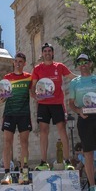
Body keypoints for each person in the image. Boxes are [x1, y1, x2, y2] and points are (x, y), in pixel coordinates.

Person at [31, 43, 76, 171]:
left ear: (52, 53)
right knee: (43, 132)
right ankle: (43, 162)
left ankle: (67, 161)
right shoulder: (37, 69)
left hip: (57, 103)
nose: (47, 53)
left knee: (62, 129)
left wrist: (85, 78)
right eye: (45, 51)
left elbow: (72, 77)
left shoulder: (59, 66)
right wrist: (35, 96)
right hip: (43, 105)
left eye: (49, 51)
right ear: (42, 54)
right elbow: (33, 88)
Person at [0, 52, 32, 184]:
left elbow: (34, 92)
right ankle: (7, 174)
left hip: (24, 113)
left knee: (24, 143)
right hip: (9, 113)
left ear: (24, 63)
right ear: (14, 62)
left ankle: (24, 174)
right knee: (7, 143)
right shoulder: (7, 78)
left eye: (20, 62)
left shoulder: (29, 77)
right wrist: (1, 98)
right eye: (16, 61)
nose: (18, 63)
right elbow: (1, 98)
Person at [69, 54, 96, 190]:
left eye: (85, 61)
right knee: (88, 154)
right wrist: (78, 111)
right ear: (78, 65)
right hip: (84, 120)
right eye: (80, 62)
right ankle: (92, 186)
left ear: (90, 64)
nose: (83, 64)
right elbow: (71, 104)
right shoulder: (75, 82)